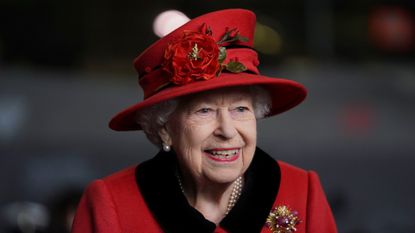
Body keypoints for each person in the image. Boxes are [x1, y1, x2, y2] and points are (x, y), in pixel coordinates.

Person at [71, 9, 338, 233]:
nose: (227, 130)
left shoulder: (302, 192)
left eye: (241, 109)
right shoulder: (111, 204)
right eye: (204, 111)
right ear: (164, 129)